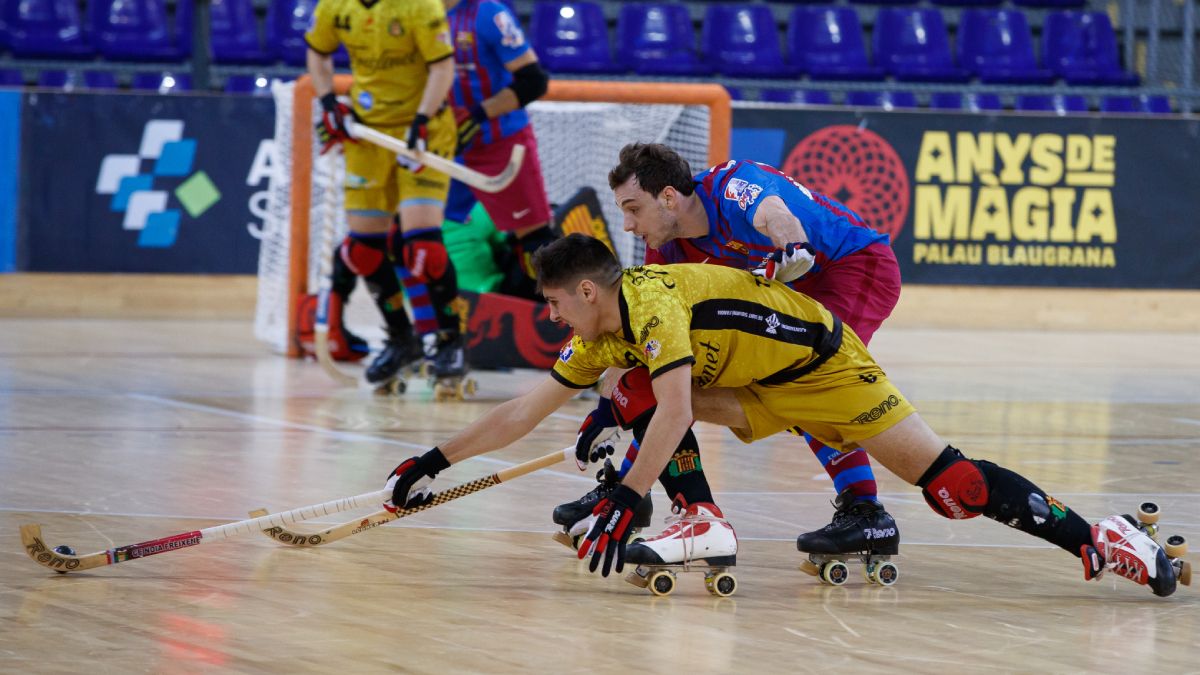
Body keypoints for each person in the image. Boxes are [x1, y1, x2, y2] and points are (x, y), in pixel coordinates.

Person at [381, 234, 1182, 597]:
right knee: (626, 388)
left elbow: (677, 410)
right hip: (757, 384)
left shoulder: (649, 302)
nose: (553, 318)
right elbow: (524, 408)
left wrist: (628, 495)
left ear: (588, 291)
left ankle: (1099, 537)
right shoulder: (607, 337)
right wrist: (434, 460)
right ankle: (701, 518)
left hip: (823, 366)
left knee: (955, 484)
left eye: (556, 304)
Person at [558, 143, 902, 569]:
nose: (627, 225)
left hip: (847, 267)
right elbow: (644, 339)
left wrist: (792, 247)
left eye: (633, 209)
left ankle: (866, 510)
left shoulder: (730, 184)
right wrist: (614, 399)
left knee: (809, 383)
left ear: (668, 197)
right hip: (786, 294)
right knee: (680, 378)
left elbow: (777, 215)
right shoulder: (664, 247)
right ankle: (633, 491)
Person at [306, 0, 468, 386]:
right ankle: (402, 338)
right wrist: (329, 101)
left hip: (421, 132)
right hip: (367, 134)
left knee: (422, 247)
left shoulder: (420, 7)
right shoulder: (334, 6)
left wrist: (423, 118)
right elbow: (318, 51)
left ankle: (450, 339)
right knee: (363, 251)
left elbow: (442, 67)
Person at [444, 0, 557, 301]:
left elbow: (534, 81)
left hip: (501, 141)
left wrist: (478, 115)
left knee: (537, 245)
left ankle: (554, 330)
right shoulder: (410, 13)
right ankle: (433, 335)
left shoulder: (488, 14)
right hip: (441, 144)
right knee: (409, 237)